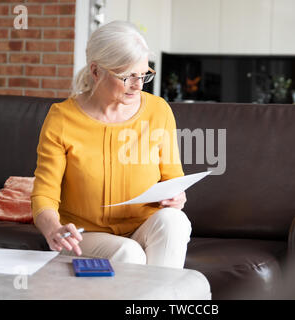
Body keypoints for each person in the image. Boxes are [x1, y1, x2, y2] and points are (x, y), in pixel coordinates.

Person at [30, 21, 191, 269]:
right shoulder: (62, 118)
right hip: (87, 236)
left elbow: (174, 181)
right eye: (127, 76)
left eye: (144, 74)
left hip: (143, 227)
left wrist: (176, 197)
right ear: (96, 71)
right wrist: (54, 229)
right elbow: (45, 194)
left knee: (175, 222)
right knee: (129, 253)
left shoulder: (159, 111)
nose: (138, 85)